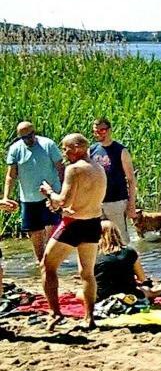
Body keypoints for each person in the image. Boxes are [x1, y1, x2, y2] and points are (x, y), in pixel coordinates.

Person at [39, 133, 107, 330]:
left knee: (47, 266)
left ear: (78, 147)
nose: (64, 153)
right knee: (87, 273)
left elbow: (64, 201)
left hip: (73, 225)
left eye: (66, 148)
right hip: (93, 222)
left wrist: (49, 192)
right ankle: (89, 317)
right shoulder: (98, 167)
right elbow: (82, 199)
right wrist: (63, 206)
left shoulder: (74, 169)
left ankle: (55, 313)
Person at [0, 122, 64, 262]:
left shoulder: (48, 145)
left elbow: (60, 168)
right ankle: (40, 262)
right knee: (34, 233)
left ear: (34, 133)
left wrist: (63, 192)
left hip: (50, 195)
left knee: (53, 230)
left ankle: (52, 261)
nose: (28, 139)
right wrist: (6, 197)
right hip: (28, 198)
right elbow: (11, 175)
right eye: (24, 137)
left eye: (30, 135)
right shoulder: (15, 149)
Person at [94, 220, 161, 301]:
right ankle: (160, 290)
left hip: (103, 297)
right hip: (130, 294)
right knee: (145, 289)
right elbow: (142, 278)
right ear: (117, 234)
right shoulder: (129, 251)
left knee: (82, 292)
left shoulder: (93, 256)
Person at [90, 118, 137, 244]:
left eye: (102, 130)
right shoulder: (92, 150)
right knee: (99, 239)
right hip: (97, 202)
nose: (99, 133)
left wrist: (132, 204)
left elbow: (131, 180)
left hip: (117, 201)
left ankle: (127, 263)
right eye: (96, 131)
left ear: (109, 130)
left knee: (120, 238)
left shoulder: (121, 151)